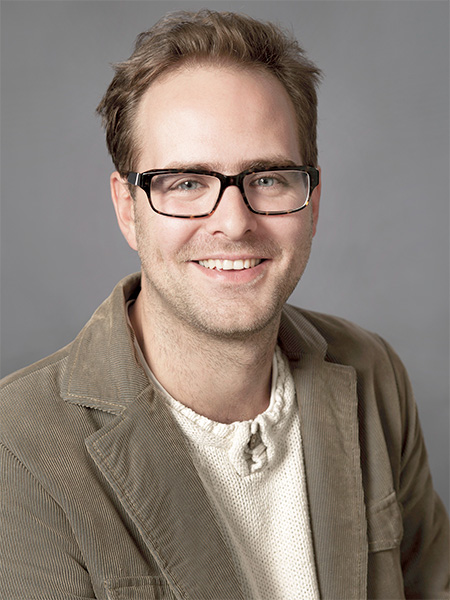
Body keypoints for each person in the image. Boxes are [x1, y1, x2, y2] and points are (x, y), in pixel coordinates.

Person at [1, 9, 448, 600]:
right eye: (187, 183)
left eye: (268, 178)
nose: (234, 223)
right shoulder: (19, 445)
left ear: (312, 202)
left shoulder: (373, 372)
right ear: (127, 208)